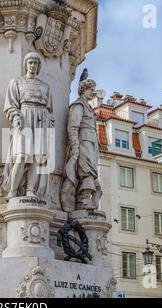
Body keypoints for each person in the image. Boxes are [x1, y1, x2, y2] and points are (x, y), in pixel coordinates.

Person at [3, 52, 54, 200]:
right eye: (30, 62)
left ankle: (30, 189)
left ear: (38, 66)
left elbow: (51, 110)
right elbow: (10, 104)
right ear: (25, 64)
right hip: (24, 117)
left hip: (41, 119)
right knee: (22, 156)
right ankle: (13, 189)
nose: (32, 65)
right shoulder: (17, 82)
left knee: (37, 157)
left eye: (35, 63)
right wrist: (16, 117)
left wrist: (49, 125)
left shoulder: (46, 87)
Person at [62, 75, 101, 211]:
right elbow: (73, 127)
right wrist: (74, 145)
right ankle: (83, 198)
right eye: (91, 89)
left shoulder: (89, 108)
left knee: (91, 171)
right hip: (83, 142)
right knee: (87, 171)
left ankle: (84, 198)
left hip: (92, 143)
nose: (93, 92)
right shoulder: (78, 106)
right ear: (83, 90)